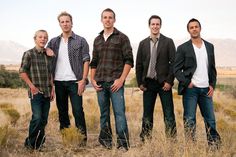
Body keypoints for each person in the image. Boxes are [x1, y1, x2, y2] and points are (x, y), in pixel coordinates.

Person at [90, 8, 134, 150]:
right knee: (104, 113)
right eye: (105, 17)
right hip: (100, 82)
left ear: (114, 20)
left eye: (110, 17)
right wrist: (92, 79)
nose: (107, 20)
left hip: (116, 82)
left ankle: (123, 143)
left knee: (119, 113)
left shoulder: (122, 37)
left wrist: (121, 80)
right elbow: (94, 61)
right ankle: (106, 141)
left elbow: (129, 60)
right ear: (101, 20)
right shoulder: (97, 40)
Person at [174, 18, 221, 149]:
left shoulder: (209, 46)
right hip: (191, 90)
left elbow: (212, 68)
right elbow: (176, 69)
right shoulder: (183, 48)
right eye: (191, 27)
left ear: (200, 28)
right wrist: (186, 82)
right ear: (188, 30)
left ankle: (214, 146)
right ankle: (190, 147)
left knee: (210, 120)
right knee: (190, 119)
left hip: (206, 89)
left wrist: (212, 85)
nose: (194, 29)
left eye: (196, 26)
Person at [47, 11, 90, 145]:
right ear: (59, 24)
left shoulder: (81, 40)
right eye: (62, 22)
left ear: (72, 23)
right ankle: (67, 139)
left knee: (78, 111)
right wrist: (46, 50)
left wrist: (83, 80)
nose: (65, 24)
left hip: (75, 82)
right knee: (63, 112)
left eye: (67, 21)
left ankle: (82, 140)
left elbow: (86, 60)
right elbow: (47, 62)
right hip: (59, 82)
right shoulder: (53, 42)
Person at [135, 15, 177, 142]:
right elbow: (139, 64)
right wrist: (140, 83)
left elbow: (174, 63)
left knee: (169, 114)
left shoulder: (168, 42)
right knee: (147, 114)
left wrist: (169, 81)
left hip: (164, 84)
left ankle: (171, 140)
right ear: (149, 26)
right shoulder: (143, 43)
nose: (155, 26)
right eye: (153, 24)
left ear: (160, 26)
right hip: (148, 84)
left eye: (157, 24)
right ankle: (146, 139)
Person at [19, 30, 54, 150]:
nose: (43, 39)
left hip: (47, 92)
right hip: (36, 92)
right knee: (37, 118)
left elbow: (50, 74)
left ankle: (39, 145)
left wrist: (52, 88)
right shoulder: (28, 54)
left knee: (43, 120)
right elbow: (22, 72)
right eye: (40, 37)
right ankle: (30, 144)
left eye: (45, 37)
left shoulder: (48, 55)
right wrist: (32, 86)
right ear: (35, 39)